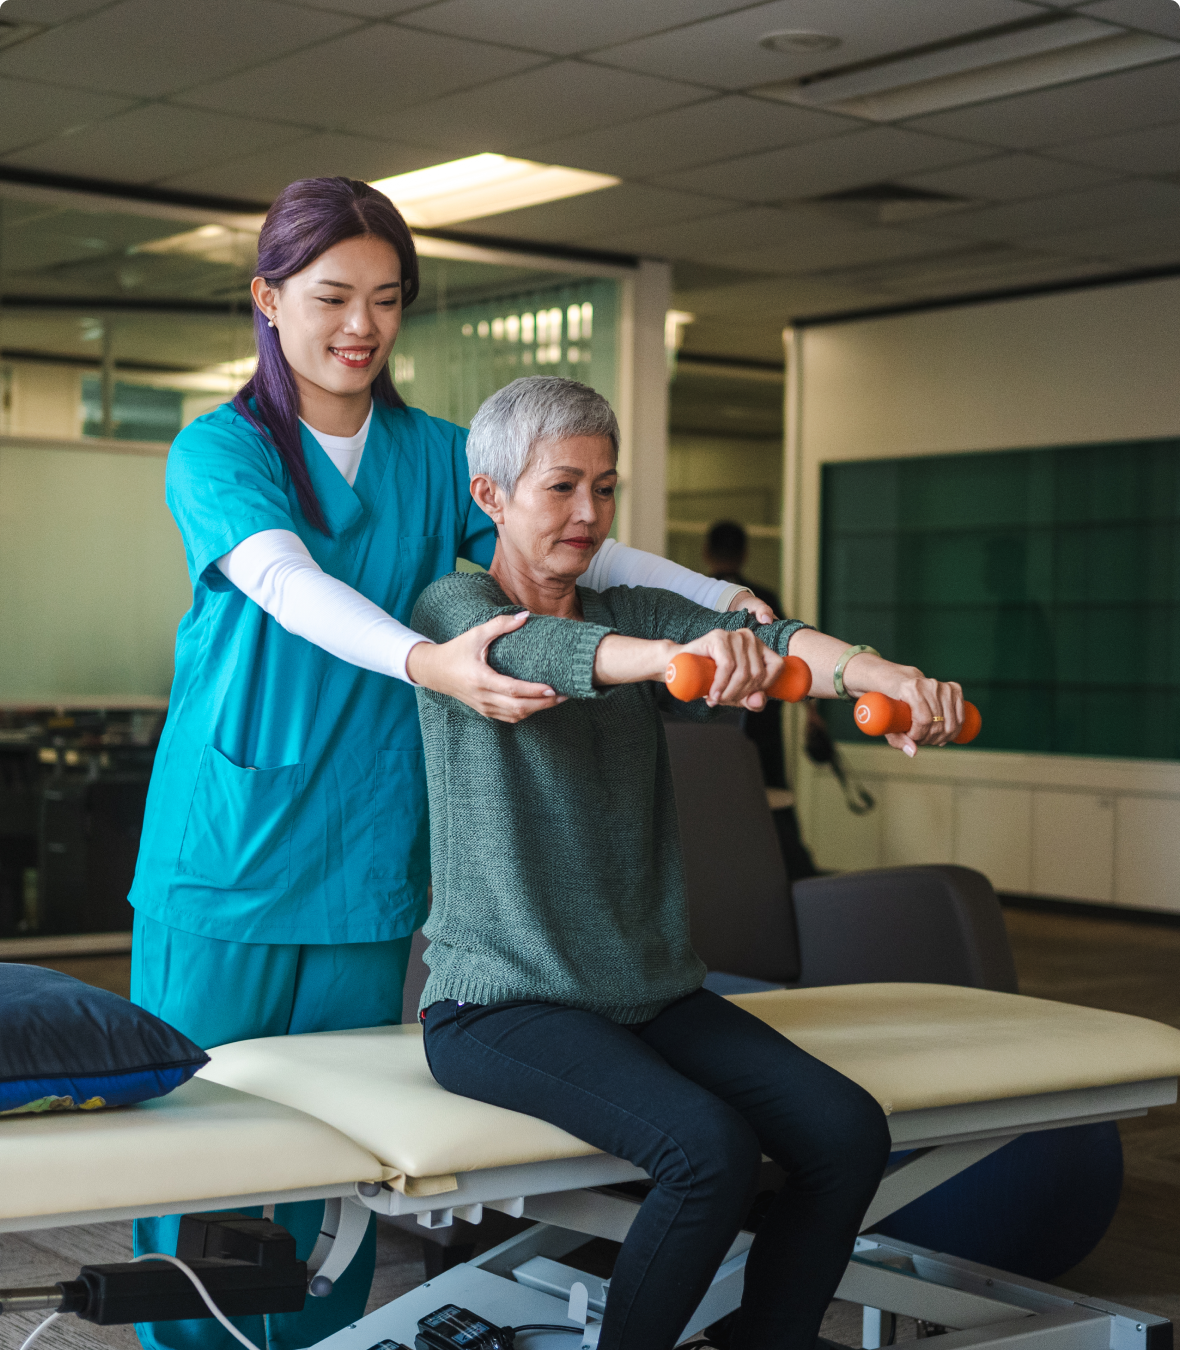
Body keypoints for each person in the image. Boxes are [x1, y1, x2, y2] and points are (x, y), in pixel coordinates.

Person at [126, 178, 777, 1350]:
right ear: (268, 300)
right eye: (331, 297)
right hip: (225, 856)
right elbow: (287, 584)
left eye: (386, 299)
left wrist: (717, 596)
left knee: (335, 1168)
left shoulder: (436, 456)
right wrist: (432, 662)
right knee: (199, 1160)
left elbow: (569, 529)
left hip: (372, 859)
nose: (360, 326)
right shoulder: (219, 451)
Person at [412, 376, 967, 1350]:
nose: (588, 514)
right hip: (500, 1001)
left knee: (846, 1133)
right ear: (490, 494)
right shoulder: (457, 607)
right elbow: (547, 653)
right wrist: (681, 661)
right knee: (707, 1151)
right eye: (561, 487)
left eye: (606, 489)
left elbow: (779, 643)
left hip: (648, 991)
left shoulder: (640, 610)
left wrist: (887, 678)